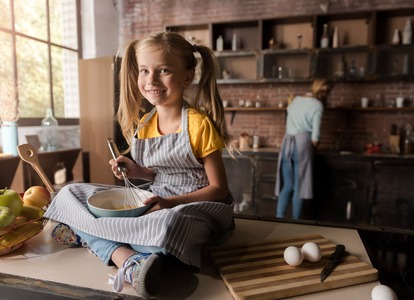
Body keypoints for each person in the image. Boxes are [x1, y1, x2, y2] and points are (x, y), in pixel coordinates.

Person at [44, 31, 235, 298]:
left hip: (194, 206)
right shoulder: (145, 124)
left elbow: (218, 188)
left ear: (187, 76)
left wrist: (171, 203)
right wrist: (137, 172)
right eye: (144, 71)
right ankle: (130, 259)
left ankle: (96, 238)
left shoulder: (197, 124)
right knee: (67, 194)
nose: (151, 80)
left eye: (164, 70)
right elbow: (160, 174)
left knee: (166, 225)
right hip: (156, 199)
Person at [274, 78, 332, 219]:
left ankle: (278, 218)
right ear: (325, 92)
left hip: (287, 143)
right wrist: (313, 150)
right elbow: (315, 136)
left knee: (287, 185)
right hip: (302, 145)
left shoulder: (295, 100)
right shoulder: (317, 105)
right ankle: (296, 224)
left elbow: (288, 124)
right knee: (299, 188)